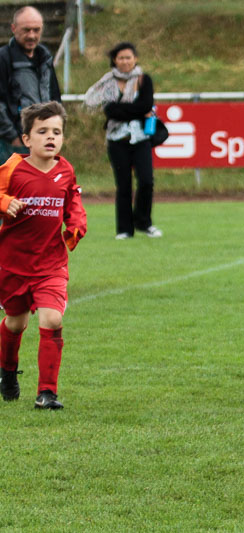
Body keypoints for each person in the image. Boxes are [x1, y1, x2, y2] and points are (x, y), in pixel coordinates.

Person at [0, 101, 86, 409]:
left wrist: (76, 224)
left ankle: (47, 392)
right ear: (26, 139)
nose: (51, 137)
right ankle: (7, 372)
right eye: (42, 131)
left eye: (57, 132)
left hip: (51, 263)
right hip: (12, 263)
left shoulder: (65, 171)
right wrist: (4, 201)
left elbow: (73, 202)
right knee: (14, 323)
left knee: (52, 318)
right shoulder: (12, 168)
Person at [83, 41, 161, 240]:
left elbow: (146, 104)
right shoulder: (108, 83)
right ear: (114, 60)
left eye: (128, 57)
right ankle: (125, 229)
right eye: (121, 58)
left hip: (141, 137)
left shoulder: (144, 80)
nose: (125, 61)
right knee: (123, 184)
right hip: (116, 139)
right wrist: (135, 111)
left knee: (146, 181)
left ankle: (144, 222)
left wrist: (124, 111)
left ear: (135, 59)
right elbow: (109, 110)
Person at [0, 6, 61, 162]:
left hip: (43, 141)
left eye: (36, 30)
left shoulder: (45, 58)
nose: (32, 35)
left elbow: (55, 98)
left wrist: (55, 131)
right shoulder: (4, 58)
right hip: (13, 143)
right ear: (13, 28)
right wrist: (13, 137)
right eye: (26, 30)